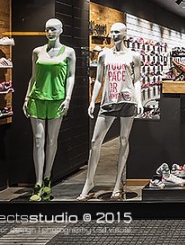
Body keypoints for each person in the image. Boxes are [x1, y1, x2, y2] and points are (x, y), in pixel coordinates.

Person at [77, 22, 142, 201]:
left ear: (125, 34)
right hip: (108, 101)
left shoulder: (134, 56)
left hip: (127, 100)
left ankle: (117, 185)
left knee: (123, 140)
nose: (113, 35)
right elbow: (99, 79)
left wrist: (139, 100)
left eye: (117, 32)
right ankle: (89, 182)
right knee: (95, 141)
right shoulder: (104, 55)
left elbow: (137, 80)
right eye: (112, 32)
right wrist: (92, 101)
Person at [23, 18, 76, 202]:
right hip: (37, 98)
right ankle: (38, 183)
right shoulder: (37, 51)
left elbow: (70, 77)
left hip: (57, 100)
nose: (50, 32)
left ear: (61, 30)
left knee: (51, 141)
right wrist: (27, 97)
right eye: (47, 29)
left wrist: (68, 98)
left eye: (53, 29)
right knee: (38, 140)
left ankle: (47, 177)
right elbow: (33, 76)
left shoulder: (69, 52)